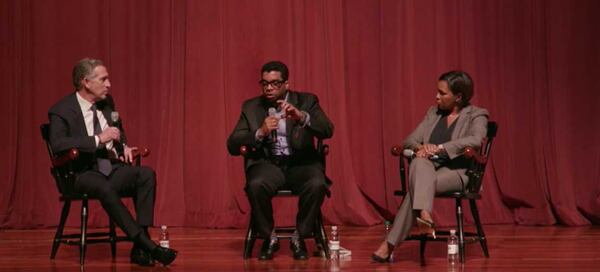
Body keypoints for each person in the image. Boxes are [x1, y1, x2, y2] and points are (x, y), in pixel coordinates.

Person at [48, 58, 177, 266]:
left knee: (145, 175)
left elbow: (117, 130)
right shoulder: (61, 110)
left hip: (110, 167)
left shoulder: (107, 102)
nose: (109, 84)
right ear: (86, 82)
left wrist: (123, 146)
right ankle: (148, 245)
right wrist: (99, 140)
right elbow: (58, 144)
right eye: (103, 79)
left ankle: (140, 245)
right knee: (104, 187)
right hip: (81, 173)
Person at [371, 71, 489, 262]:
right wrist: (422, 147)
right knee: (419, 161)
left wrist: (440, 148)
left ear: (458, 97)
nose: (436, 97)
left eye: (442, 93)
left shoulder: (477, 115)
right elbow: (410, 140)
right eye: (437, 92)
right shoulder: (433, 113)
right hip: (426, 170)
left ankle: (389, 244)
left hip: (458, 173)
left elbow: (475, 140)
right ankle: (424, 214)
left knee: (417, 189)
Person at [227, 61, 334, 260]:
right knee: (256, 184)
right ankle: (269, 237)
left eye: (275, 83)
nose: (269, 87)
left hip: (300, 164)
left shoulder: (306, 101)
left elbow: (328, 129)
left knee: (317, 183)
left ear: (286, 84)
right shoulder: (251, 107)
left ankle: (299, 236)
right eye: (265, 83)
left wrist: (301, 116)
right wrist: (260, 132)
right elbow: (232, 144)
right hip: (268, 165)